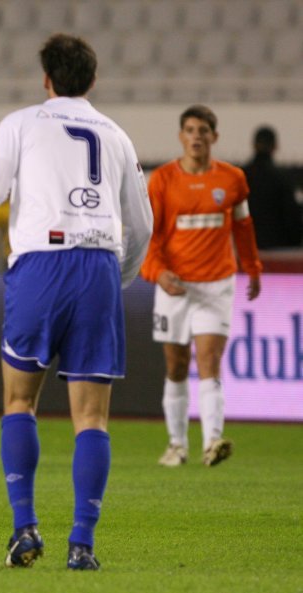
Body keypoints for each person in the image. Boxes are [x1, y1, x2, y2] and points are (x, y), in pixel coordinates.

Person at [0, 34, 153, 570]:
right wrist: (120, 277)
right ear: (91, 81)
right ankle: (82, 545)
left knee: (20, 401)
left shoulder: (21, 124)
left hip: (41, 266)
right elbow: (141, 223)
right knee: (92, 417)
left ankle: (25, 530)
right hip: (98, 268)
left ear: (47, 79)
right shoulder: (116, 135)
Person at [141, 105, 262, 470]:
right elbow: (152, 236)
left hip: (216, 285)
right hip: (175, 286)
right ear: (181, 137)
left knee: (210, 362)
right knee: (176, 365)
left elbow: (243, 226)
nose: (197, 136)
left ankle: (212, 441)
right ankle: (177, 444)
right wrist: (157, 273)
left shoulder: (232, 180)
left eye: (203, 130)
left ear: (214, 137)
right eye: (190, 130)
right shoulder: (162, 180)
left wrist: (252, 267)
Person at [242, 126, 303, 249]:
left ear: (253, 145)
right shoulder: (282, 178)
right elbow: (292, 219)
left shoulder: (241, 177)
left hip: (245, 248)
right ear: (275, 146)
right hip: (278, 250)